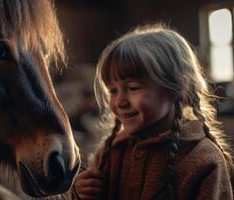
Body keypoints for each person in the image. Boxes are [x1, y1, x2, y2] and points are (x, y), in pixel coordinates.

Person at [72, 24, 234, 200]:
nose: (119, 101)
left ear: (177, 88)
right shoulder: (111, 152)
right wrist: (81, 193)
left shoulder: (203, 159)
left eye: (133, 88)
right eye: (113, 91)